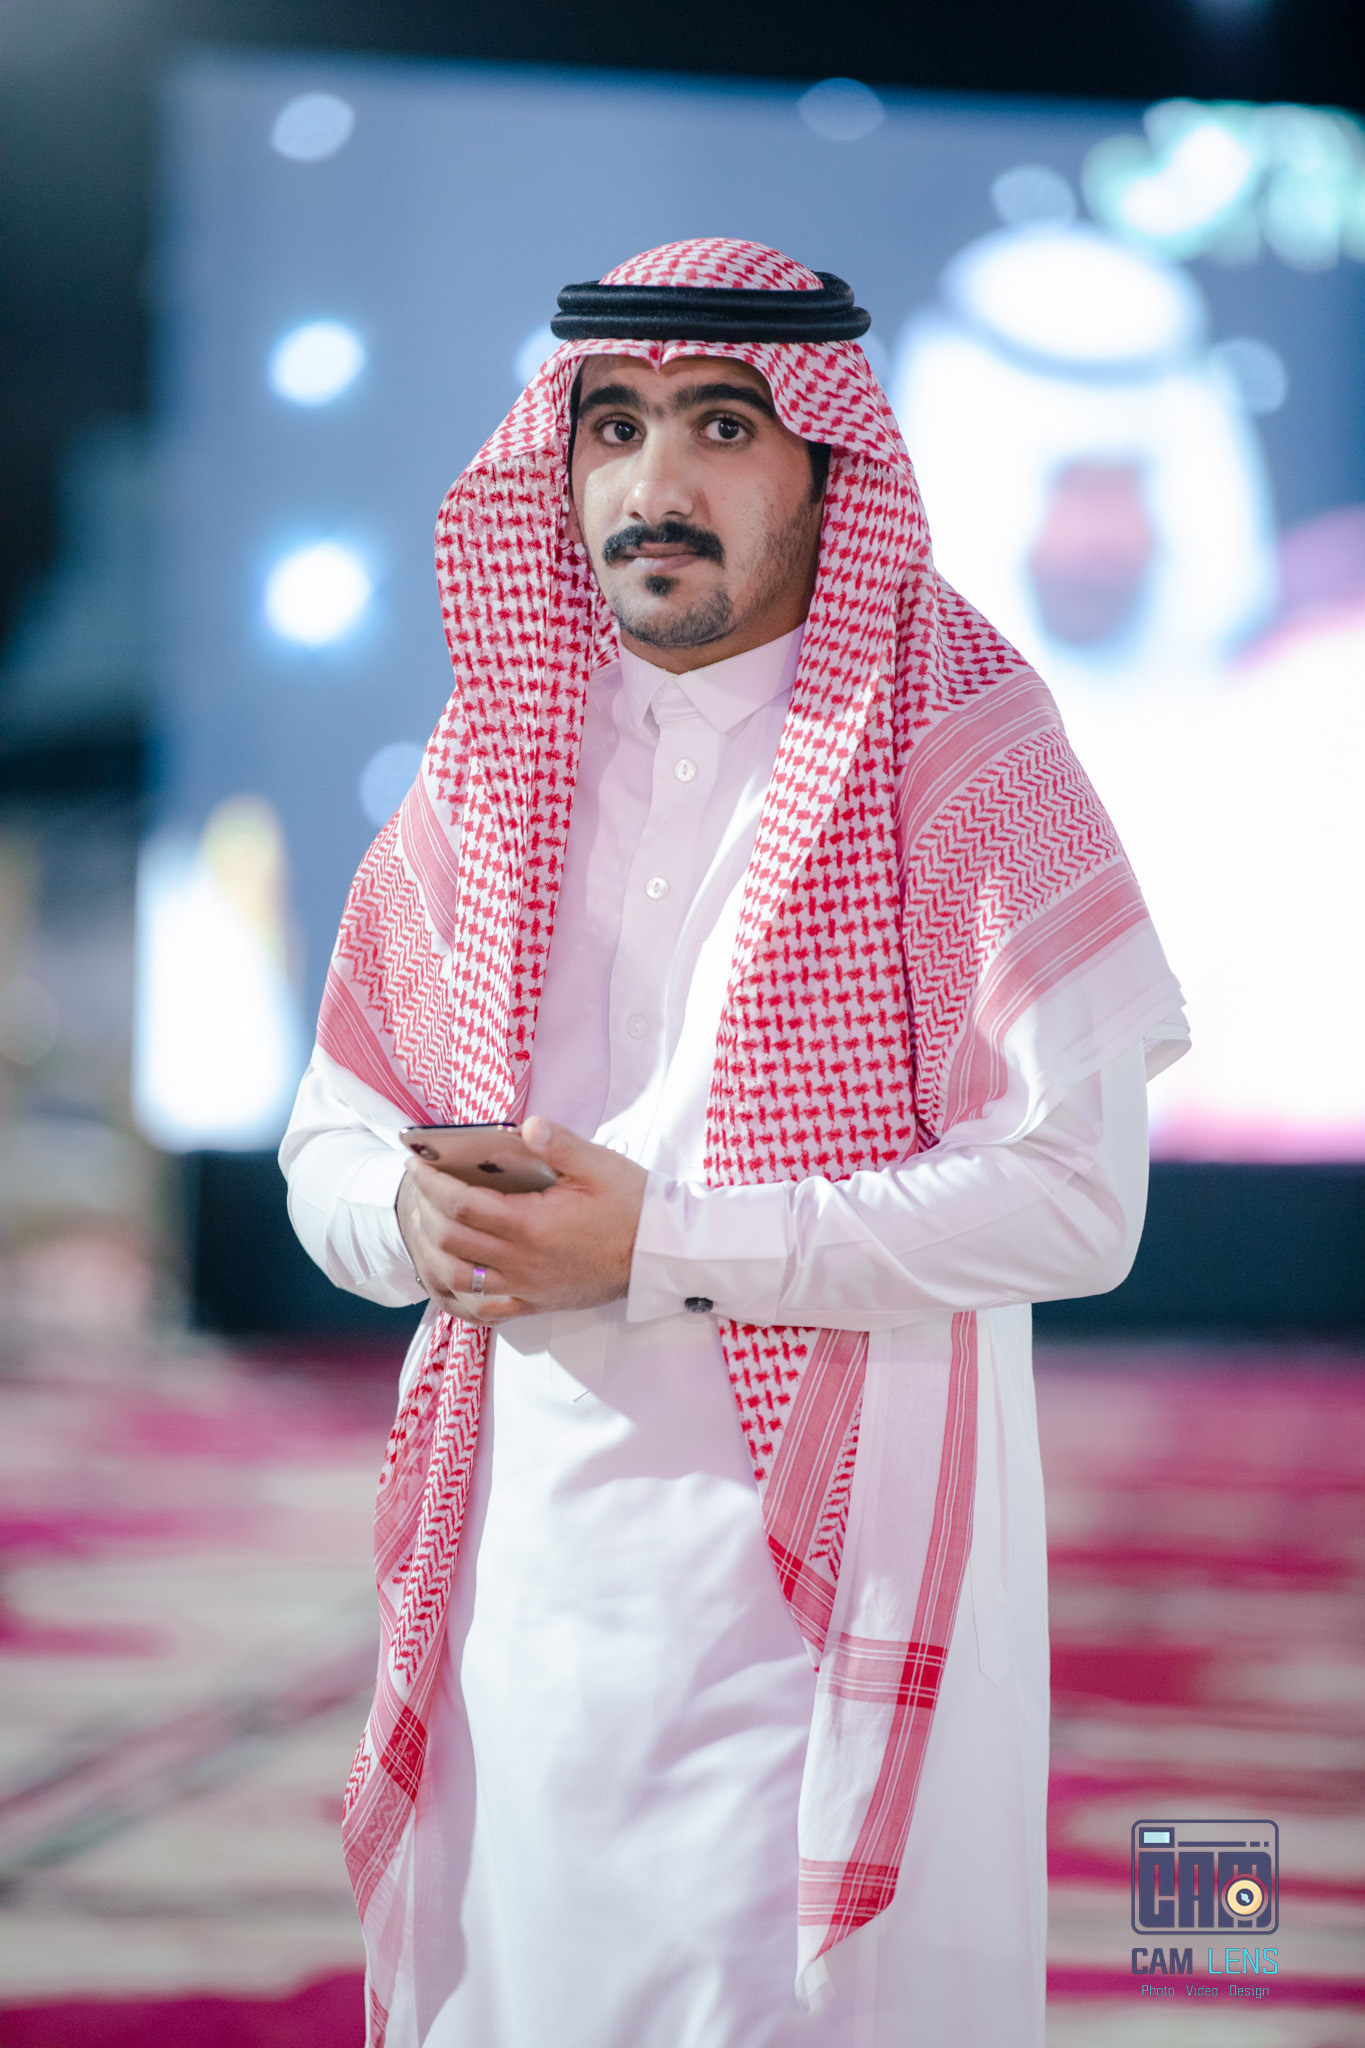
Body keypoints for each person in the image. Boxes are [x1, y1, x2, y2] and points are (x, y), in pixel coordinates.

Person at [280, 238, 1188, 2048]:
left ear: (826, 468)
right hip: (522, 1597)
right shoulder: (489, 762)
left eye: (720, 425)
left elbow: (1077, 1203)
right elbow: (329, 1147)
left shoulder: (961, 752)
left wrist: (660, 1242)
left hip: (819, 1597)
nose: (654, 483)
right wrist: (410, 1221)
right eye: (613, 427)